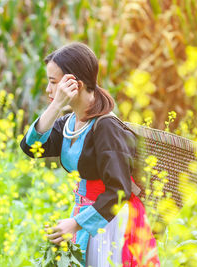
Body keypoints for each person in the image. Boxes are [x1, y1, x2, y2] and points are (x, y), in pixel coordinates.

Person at [20, 42, 160, 266]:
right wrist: (56, 106)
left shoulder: (106, 127)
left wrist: (76, 223)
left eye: (53, 82)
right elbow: (30, 147)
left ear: (76, 84)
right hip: (87, 216)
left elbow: (119, 190)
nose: (48, 90)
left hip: (111, 222)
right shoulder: (70, 123)